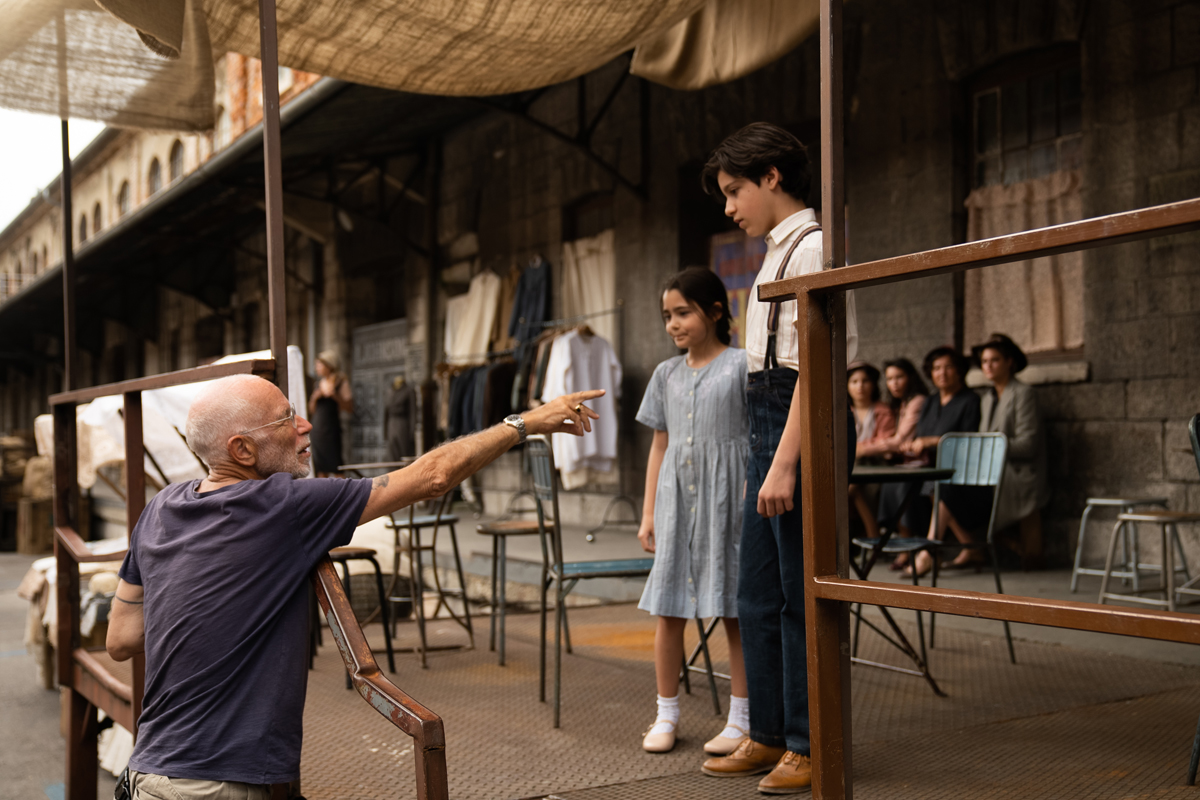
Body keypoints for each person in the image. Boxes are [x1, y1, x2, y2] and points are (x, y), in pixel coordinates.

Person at [106, 374, 603, 799]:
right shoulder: (282, 507)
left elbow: (121, 639)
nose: (306, 425)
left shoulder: (161, 509)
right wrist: (524, 423)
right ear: (242, 449)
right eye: (286, 419)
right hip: (217, 786)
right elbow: (433, 477)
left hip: (150, 771)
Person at [698, 122, 858, 794]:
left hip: (801, 424)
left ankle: (808, 743)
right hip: (770, 426)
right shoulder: (775, 252)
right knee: (757, 593)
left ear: (772, 176)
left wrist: (786, 461)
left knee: (801, 592)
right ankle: (767, 732)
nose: (729, 206)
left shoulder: (814, 247)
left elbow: (815, 368)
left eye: (735, 190)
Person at [636, 267, 750, 757]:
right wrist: (648, 514)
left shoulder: (742, 365)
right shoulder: (665, 374)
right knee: (668, 609)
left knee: (735, 609)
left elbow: (754, 437)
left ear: (716, 311)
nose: (673, 324)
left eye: (682, 313)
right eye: (667, 315)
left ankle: (742, 719)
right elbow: (659, 446)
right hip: (675, 506)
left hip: (728, 506)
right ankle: (666, 713)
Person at [911, 333, 1049, 574]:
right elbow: (980, 442)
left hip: (1016, 474)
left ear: (1009, 362)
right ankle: (934, 550)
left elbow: (1028, 445)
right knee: (939, 482)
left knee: (946, 484)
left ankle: (930, 550)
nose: (988, 366)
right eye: (984, 361)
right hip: (989, 471)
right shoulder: (987, 398)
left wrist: (990, 447)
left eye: (995, 360)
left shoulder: (1024, 393)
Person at [892, 346, 981, 575]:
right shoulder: (931, 402)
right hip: (930, 467)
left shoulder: (970, 400)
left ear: (959, 370)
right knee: (906, 485)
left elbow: (970, 439)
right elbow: (921, 434)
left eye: (948, 367)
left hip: (960, 470)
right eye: (937, 368)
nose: (942, 373)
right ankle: (968, 546)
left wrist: (933, 441)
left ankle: (928, 552)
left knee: (936, 487)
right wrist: (912, 445)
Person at [847, 361, 895, 538]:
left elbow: (886, 443)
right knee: (854, 488)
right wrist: (868, 447)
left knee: (852, 487)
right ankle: (873, 537)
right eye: (854, 381)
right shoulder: (842, 411)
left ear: (873, 384)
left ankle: (872, 537)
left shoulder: (883, 411)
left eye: (865, 381)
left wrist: (859, 449)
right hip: (850, 464)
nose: (860, 386)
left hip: (877, 465)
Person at [308, 350, 353, 476]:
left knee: (335, 465)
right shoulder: (318, 384)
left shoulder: (340, 381)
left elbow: (349, 407)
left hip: (331, 430)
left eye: (320, 365)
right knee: (320, 468)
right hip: (318, 431)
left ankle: (342, 489)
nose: (317, 368)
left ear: (329, 365)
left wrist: (334, 396)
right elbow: (312, 410)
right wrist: (315, 398)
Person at [879, 358, 928, 457]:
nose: (894, 383)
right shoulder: (902, 402)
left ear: (910, 377)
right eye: (889, 379)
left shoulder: (918, 400)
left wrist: (862, 449)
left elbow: (900, 439)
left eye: (899, 377)